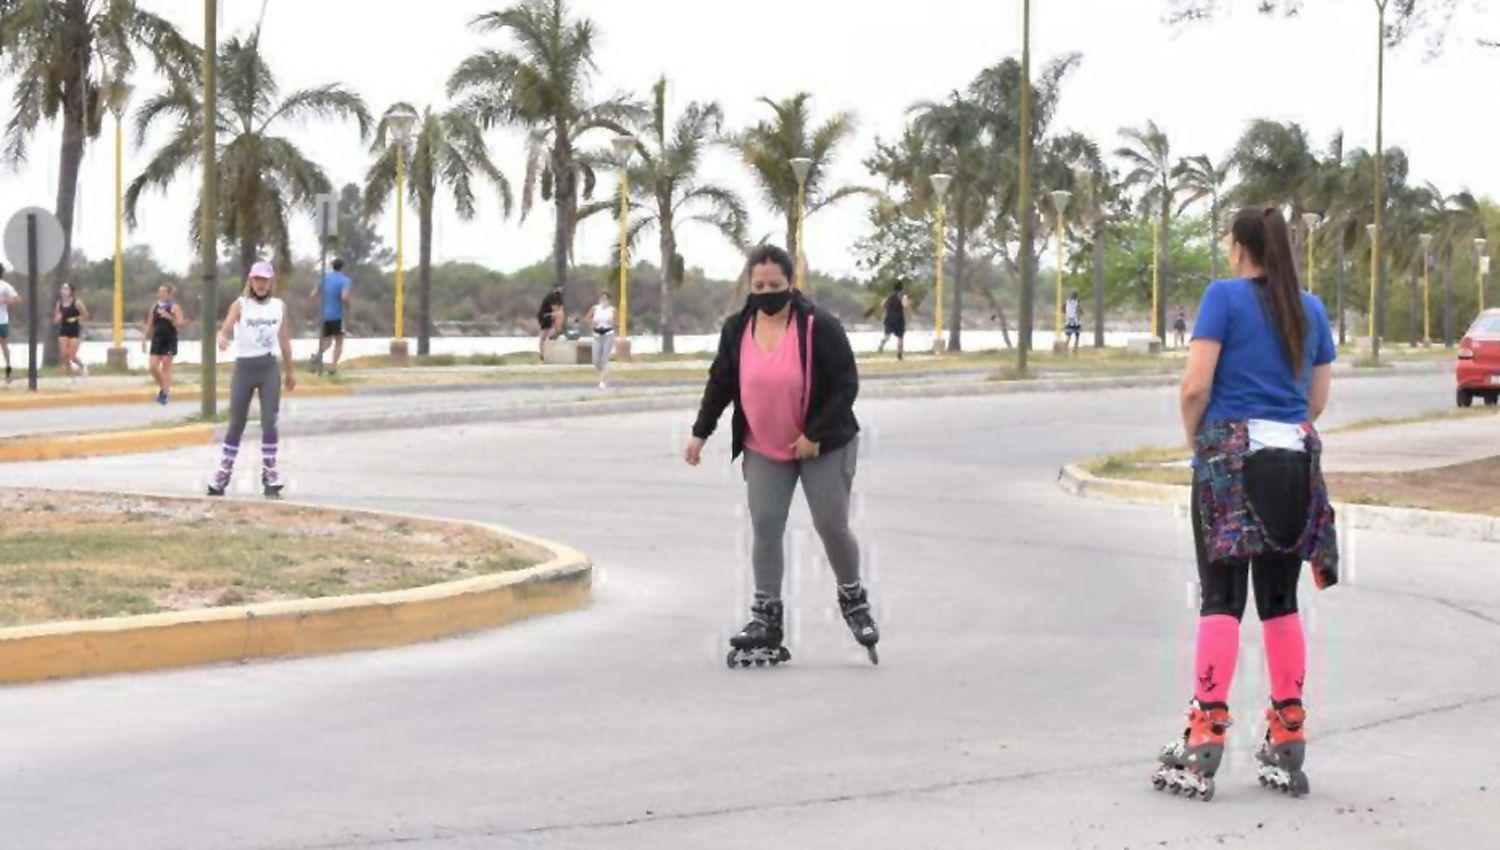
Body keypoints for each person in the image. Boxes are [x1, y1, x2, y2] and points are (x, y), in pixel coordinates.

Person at [1152, 206, 1339, 802]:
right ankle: (1288, 736)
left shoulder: (1223, 297)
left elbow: (1195, 386)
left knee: (1222, 598)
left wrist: (1198, 441)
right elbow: (1315, 398)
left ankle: (1204, 735)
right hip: (1294, 462)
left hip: (1232, 462)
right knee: (1280, 600)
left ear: (1239, 249)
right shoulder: (1309, 308)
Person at [685, 244, 879, 667]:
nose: (767, 291)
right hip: (764, 444)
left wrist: (815, 433)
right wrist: (700, 433)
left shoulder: (818, 327)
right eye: (759, 285)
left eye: (775, 284)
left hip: (823, 444)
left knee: (831, 524)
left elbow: (846, 385)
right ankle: (766, 617)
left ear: (791, 284)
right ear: (748, 285)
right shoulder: (738, 328)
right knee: (766, 526)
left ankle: (852, 595)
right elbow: (720, 382)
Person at [207, 261, 297, 498]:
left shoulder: (279, 307)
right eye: (257, 279)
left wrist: (290, 371)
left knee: (270, 420)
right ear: (250, 280)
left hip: (268, 367)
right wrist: (222, 338)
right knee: (236, 421)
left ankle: (270, 473)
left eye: (265, 280)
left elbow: (284, 340)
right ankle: (223, 473)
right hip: (244, 367)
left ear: (271, 282)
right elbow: (225, 328)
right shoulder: (240, 305)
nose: (261, 284)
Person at [141, 285, 184, 405]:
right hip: (157, 339)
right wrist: (144, 338)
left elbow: (180, 323)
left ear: (169, 294)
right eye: (159, 292)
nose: (161, 294)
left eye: (164, 292)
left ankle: (165, 393)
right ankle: (163, 388)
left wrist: (169, 317)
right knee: (153, 366)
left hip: (169, 339)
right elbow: (149, 323)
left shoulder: (174, 307)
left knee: (166, 364)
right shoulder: (155, 307)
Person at [310, 258, 352, 375]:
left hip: (325, 315)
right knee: (339, 342)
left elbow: (313, 295)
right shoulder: (345, 281)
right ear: (343, 267)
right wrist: (348, 308)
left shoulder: (325, 279)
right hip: (338, 315)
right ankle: (333, 367)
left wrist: (323, 304)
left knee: (327, 342)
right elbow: (344, 297)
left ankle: (316, 357)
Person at [54, 282, 88, 383]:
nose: (63, 291)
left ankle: (82, 366)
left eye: (66, 289)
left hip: (75, 330)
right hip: (64, 330)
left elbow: (85, 315)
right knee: (63, 355)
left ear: (71, 292)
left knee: (71, 356)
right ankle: (70, 377)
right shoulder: (59, 303)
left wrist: (76, 318)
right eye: (62, 289)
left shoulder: (77, 303)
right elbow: (56, 319)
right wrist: (58, 318)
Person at [587, 292, 617, 390]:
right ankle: (603, 372)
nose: (604, 301)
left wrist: (612, 322)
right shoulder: (595, 308)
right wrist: (592, 323)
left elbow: (618, 322)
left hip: (608, 334)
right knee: (595, 359)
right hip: (597, 334)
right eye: (602, 299)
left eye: (606, 299)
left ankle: (603, 381)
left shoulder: (612, 310)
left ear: (609, 301)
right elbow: (588, 318)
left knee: (604, 358)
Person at [877, 282, 911, 360]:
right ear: (902, 289)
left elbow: (882, 305)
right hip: (899, 318)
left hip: (889, 317)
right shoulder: (903, 296)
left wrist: (888, 309)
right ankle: (899, 355)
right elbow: (905, 306)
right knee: (900, 337)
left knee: (887, 334)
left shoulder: (890, 296)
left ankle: (882, 344)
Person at [0, 264, 19, 387]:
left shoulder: (4, 286)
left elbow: (18, 299)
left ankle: (8, 370)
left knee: (4, 346)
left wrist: (5, 301)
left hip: (2, 321)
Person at [537, 285, 565, 358]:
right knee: (543, 334)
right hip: (544, 315)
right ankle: (541, 353)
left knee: (548, 333)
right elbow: (555, 308)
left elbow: (561, 308)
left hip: (551, 316)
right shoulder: (551, 296)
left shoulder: (560, 297)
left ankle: (555, 332)